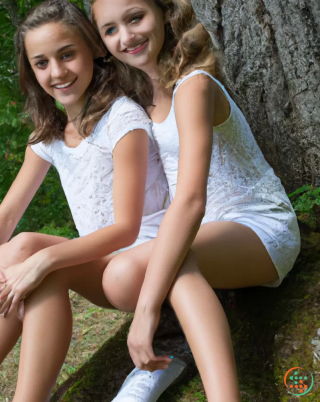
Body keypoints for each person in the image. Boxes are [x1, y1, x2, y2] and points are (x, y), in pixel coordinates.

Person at [0, 1, 182, 401]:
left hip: (145, 262)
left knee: (42, 266)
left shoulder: (122, 119)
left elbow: (126, 228)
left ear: (93, 48)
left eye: (67, 54)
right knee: (15, 248)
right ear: (31, 70)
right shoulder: (51, 133)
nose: (57, 72)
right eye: (42, 63)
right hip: (103, 265)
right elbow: (8, 213)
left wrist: (46, 259)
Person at [87, 0, 301, 401]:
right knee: (122, 275)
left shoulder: (193, 84)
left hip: (258, 224)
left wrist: (147, 311)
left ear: (163, 11)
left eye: (136, 18)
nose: (126, 36)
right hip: (209, 235)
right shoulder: (139, 100)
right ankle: (168, 365)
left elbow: (190, 202)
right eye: (110, 30)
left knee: (170, 257)